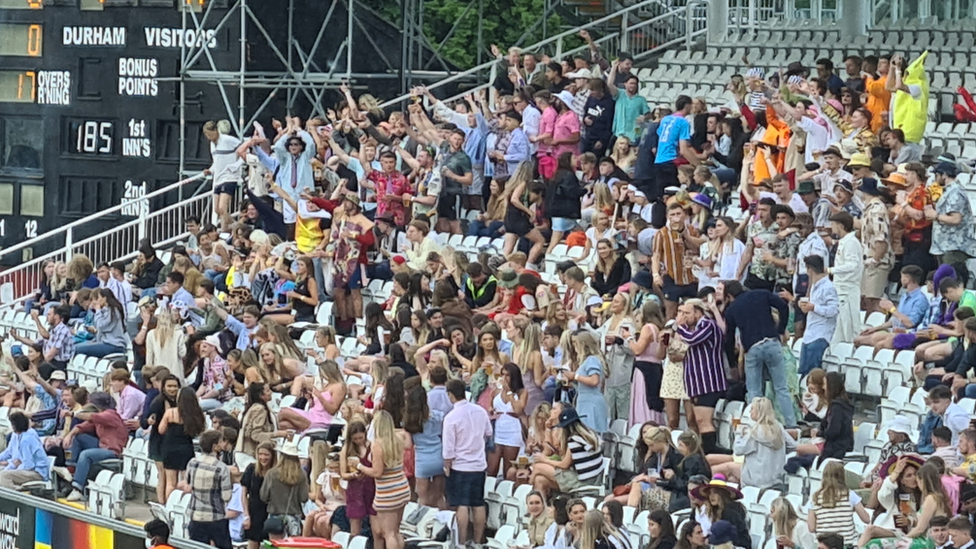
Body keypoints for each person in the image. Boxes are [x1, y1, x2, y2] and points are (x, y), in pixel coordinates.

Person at [722, 285, 796, 428]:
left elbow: (729, 339)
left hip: (753, 348)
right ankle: (792, 425)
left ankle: (756, 426)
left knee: (754, 391)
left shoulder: (732, 309)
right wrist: (780, 329)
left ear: (730, 296)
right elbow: (783, 307)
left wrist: (732, 365)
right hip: (772, 342)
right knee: (781, 388)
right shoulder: (762, 292)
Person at [442, 378, 492, 546]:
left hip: (460, 465)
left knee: (461, 504)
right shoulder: (480, 411)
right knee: (478, 503)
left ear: (450, 395)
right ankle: (477, 542)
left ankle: (461, 542)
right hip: (478, 464)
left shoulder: (451, 417)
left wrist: (447, 465)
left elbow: (448, 448)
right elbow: (488, 432)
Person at [675, 299, 726, 453]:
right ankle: (705, 453)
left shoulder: (707, 325)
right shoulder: (692, 328)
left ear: (698, 312)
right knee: (697, 421)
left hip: (708, 381)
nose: (683, 317)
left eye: (687, 313)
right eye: (680, 312)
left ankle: (711, 455)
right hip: (696, 382)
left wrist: (680, 327)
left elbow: (693, 339)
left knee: (704, 421)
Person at [63, 391, 127, 501]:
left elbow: (91, 417)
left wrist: (74, 413)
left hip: (113, 450)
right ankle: (71, 468)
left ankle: (77, 489)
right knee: (79, 437)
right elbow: (81, 427)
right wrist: (69, 435)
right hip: (102, 445)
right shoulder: (99, 417)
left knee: (86, 455)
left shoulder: (110, 414)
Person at [530, 406, 603, 497]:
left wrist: (545, 460)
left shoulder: (575, 440)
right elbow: (559, 454)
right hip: (592, 478)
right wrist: (548, 429)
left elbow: (564, 464)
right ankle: (541, 507)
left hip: (582, 481)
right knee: (539, 480)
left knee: (538, 467)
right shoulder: (590, 433)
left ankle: (527, 495)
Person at [185, 429, 233, 549]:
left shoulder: (192, 462)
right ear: (215, 446)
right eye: (221, 442)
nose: (223, 444)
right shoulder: (221, 468)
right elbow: (226, 496)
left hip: (196, 516)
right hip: (216, 517)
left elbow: (188, 483)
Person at [158, 386, 206, 501]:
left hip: (170, 448)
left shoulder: (171, 413)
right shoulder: (197, 415)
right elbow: (200, 432)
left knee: (171, 482)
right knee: (187, 481)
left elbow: (161, 430)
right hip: (186, 448)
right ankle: (184, 504)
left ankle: (170, 506)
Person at [808, 462, 871, 548]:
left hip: (823, 545)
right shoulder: (850, 495)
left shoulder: (815, 497)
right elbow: (866, 519)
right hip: (846, 544)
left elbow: (811, 527)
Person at [404, 380, 445, 508]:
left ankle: (424, 523)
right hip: (439, 456)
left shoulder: (408, 420)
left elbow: (408, 444)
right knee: (438, 495)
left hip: (422, 459)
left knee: (423, 498)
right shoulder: (438, 416)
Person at [798, 255, 839, 375]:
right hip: (809, 334)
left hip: (820, 335)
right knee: (803, 373)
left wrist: (814, 307)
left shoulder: (828, 287)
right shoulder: (814, 287)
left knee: (813, 374)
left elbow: (833, 310)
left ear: (810, 269)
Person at [828, 212, 864, 345]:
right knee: (840, 325)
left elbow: (852, 265)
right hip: (840, 287)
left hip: (848, 289)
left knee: (850, 325)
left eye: (833, 224)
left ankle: (853, 352)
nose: (831, 227)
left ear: (841, 226)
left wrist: (831, 270)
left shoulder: (851, 243)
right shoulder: (845, 242)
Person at [260, 439, 309, 536]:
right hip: (294, 517)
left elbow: (263, 496)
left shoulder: (272, 473)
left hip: (275, 517)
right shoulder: (301, 475)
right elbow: (304, 498)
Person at [0, 411, 50, 489]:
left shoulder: (26, 439)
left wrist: (13, 467)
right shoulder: (16, 435)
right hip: (23, 468)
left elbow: (28, 464)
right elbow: (9, 452)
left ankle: (16, 492)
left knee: (3, 476)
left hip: (36, 473)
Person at [241, 441, 275, 549]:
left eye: (266, 455)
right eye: (260, 454)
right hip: (254, 512)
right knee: (253, 543)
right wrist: (246, 515)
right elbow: (243, 494)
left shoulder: (275, 472)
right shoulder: (251, 469)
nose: (263, 457)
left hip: (271, 511)